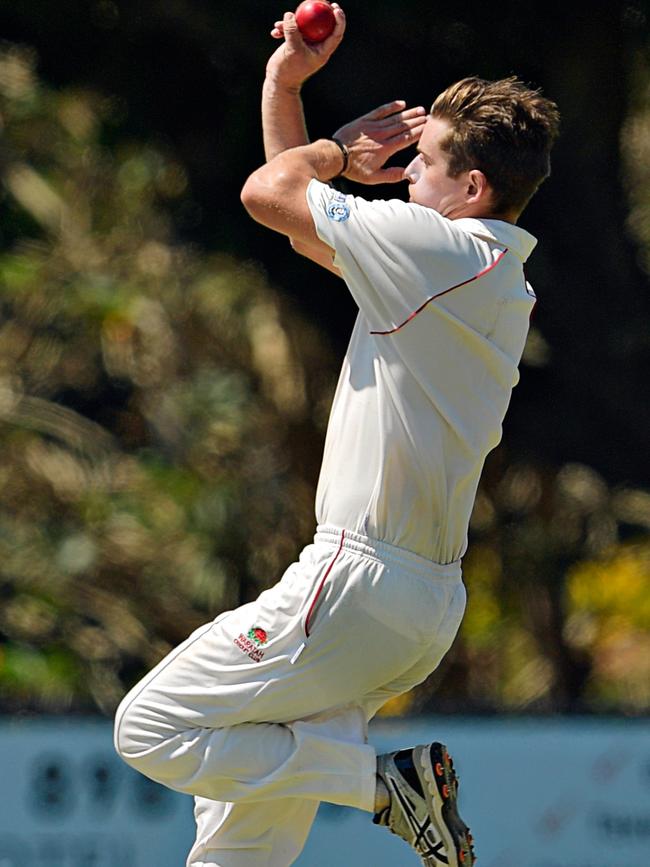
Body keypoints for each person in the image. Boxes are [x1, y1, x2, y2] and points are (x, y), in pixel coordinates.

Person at [113, 5, 560, 866]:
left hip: (358, 577)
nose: (403, 178)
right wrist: (285, 85)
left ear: (472, 190)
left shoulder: (441, 252)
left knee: (153, 725)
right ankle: (367, 778)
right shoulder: (482, 273)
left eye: (423, 164)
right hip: (415, 603)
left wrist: (337, 152)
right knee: (237, 843)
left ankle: (377, 785)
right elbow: (293, 219)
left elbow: (267, 193)